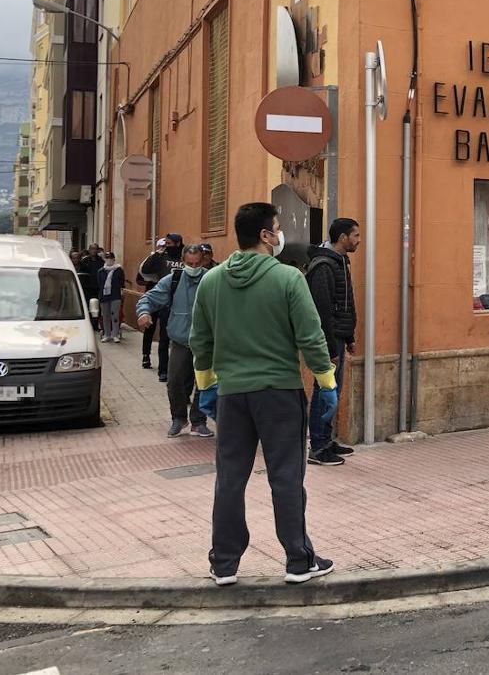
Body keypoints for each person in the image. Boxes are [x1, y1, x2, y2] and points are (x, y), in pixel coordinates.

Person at [190, 202, 339, 586]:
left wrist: (206, 386)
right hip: (278, 393)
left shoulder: (211, 281)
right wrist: (327, 382)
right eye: (276, 227)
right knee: (286, 477)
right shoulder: (288, 279)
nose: (279, 233)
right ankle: (297, 560)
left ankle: (223, 563)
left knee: (230, 478)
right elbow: (311, 335)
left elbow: (200, 341)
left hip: (232, 395)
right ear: (264, 235)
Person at [137, 244, 215, 439]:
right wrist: (144, 312)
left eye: (197, 263)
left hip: (206, 342)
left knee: (204, 384)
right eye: (190, 263)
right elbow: (148, 299)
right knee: (174, 382)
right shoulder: (173, 280)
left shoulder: (212, 279)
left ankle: (198, 421)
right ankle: (179, 418)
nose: (194, 267)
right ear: (182, 261)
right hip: (180, 341)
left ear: (203, 260)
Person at [304, 218, 360, 466]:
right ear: (343, 237)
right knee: (324, 391)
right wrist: (328, 347)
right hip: (329, 341)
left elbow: (345, 304)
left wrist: (349, 337)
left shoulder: (339, 262)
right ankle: (317, 446)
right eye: (355, 235)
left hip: (338, 337)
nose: (358, 240)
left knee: (332, 391)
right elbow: (322, 310)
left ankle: (326, 439)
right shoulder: (324, 266)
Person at [138, 234, 185, 381]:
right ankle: (163, 371)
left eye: (169, 243)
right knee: (163, 338)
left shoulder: (185, 255)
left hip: (183, 303)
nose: (166, 246)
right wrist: (156, 254)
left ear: (178, 243)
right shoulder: (161, 257)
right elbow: (144, 270)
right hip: (165, 303)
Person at [97, 251, 125, 343]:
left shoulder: (119, 270)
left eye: (110, 258)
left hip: (115, 295)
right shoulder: (101, 271)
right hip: (104, 296)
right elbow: (99, 283)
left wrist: (121, 292)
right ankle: (107, 334)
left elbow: (122, 283)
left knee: (115, 315)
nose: (109, 260)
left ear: (114, 259)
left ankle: (115, 334)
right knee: (105, 316)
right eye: (107, 258)